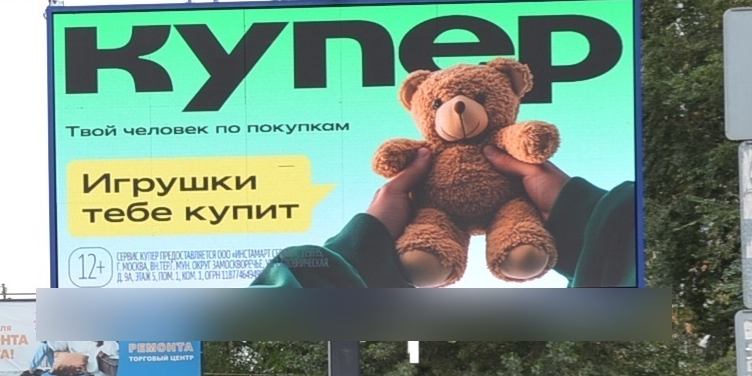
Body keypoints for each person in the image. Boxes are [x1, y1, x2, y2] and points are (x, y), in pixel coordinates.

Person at [251, 144, 639, 289]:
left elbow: (289, 303)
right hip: (437, 214)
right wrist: (581, 215)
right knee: (430, 235)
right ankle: (431, 257)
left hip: (511, 206)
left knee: (519, 236)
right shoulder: (633, 255)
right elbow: (627, 270)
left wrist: (366, 249)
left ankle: (521, 249)